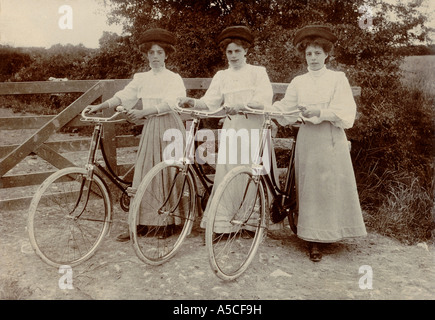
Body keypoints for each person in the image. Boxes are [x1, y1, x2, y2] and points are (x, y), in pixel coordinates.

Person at [272, 25, 367, 261]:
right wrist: (265, 110)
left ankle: (331, 232)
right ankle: (313, 239)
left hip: (330, 136)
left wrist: (320, 111)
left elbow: (345, 110)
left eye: (317, 53)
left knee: (328, 186)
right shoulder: (298, 82)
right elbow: (286, 108)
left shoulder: (337, 79)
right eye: (308, 54)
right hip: (308, 138)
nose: (312, 58)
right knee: (310, 187)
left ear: (326, 54)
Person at [85, 28, 186, 242]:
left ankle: (169, 222)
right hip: (150, 127)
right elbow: (124, 96)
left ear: (167, 54)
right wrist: (101, 105)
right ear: (146, 55)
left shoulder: (173, 78)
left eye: (160, 52)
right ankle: (141, 223)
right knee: (144, 171)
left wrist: (142, 112)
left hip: (169, 127)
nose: (155, 57)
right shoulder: (142, 78)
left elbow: (170, 103)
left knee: (167, 172)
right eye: (151, 53)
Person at [178, 25, 279, 237]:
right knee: (229, 172)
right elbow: (210, 102)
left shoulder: (257, 72)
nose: (233, 56)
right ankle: (225, 225)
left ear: (246, 51)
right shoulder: (221, 76)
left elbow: (263, 99)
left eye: (237, 51)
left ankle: (251, 224)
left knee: (252, 172)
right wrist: (193, 101)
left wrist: (242, 105)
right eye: (229, 52)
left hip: (254, 129)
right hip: (233, 128)